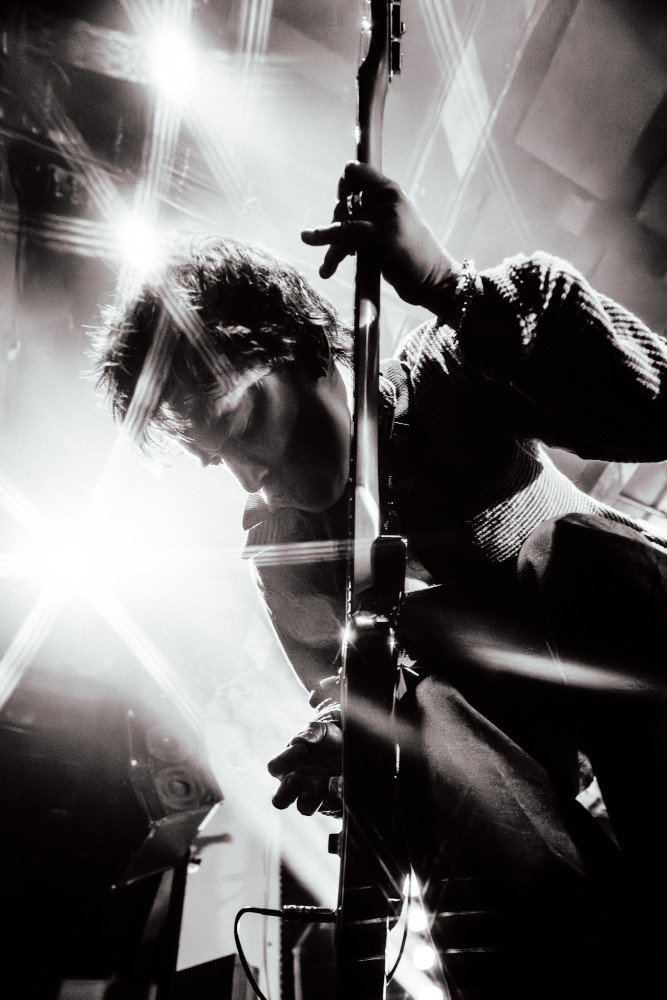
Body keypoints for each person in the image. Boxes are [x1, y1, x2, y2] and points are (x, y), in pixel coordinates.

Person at [91, 160, 667, 999]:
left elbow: (654, 404)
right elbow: (346, 686)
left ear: (298, 345)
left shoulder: (447, 376)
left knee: (572, 549)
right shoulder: (282, 550)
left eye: (242, 422)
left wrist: (451, 291)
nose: (250, 477)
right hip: (522, 790)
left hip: (630, 689)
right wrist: (339, 735)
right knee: (405, 713)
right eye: (218, 459)